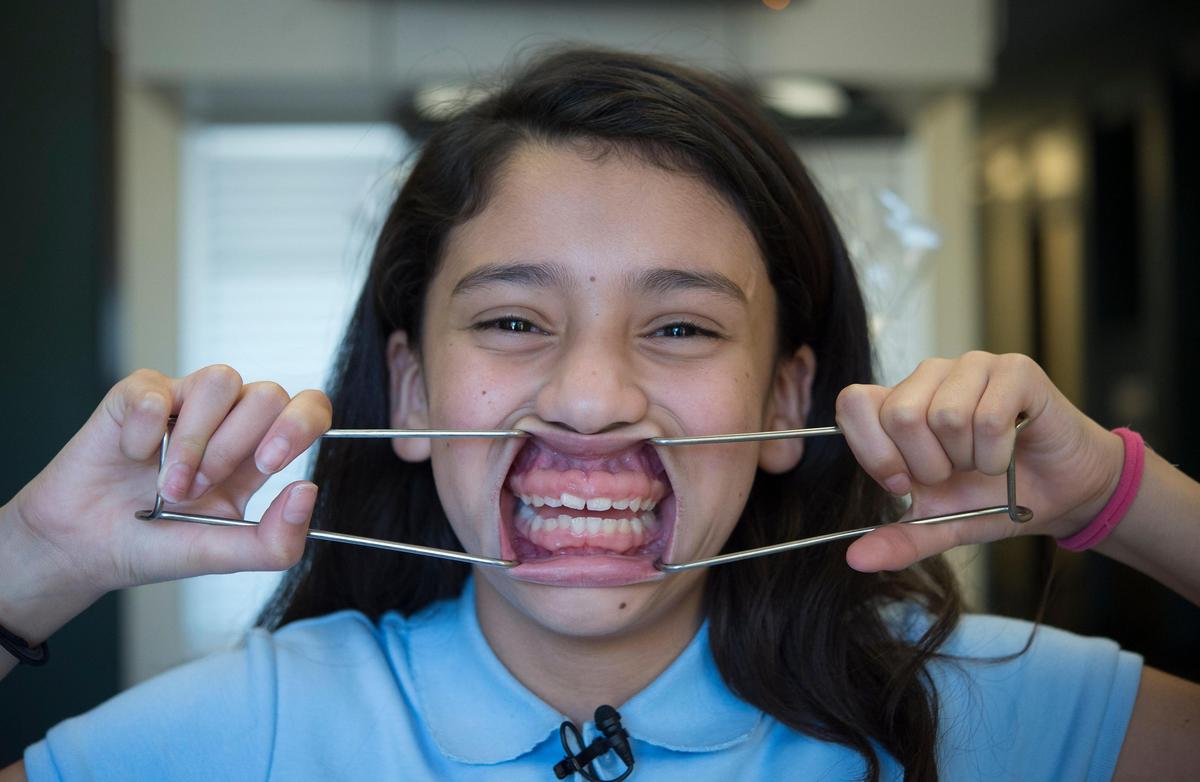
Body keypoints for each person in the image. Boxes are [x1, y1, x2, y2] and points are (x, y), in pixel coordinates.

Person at [1, 47, 1197, 781]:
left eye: (680, 326)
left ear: (788, 398)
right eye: (514, 321)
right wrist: (33, 559)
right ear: (409, 391)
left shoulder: (977, 711)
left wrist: (1111, 497)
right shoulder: (243, 735)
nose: (588, 399)